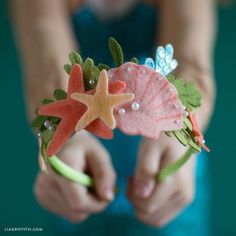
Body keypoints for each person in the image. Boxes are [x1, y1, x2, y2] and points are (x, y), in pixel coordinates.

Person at [11, 0, 216, 235]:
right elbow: (45, 63)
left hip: (169, 169)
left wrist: (178, 135)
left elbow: (191, 62)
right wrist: (67, 138)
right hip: (76, 171)